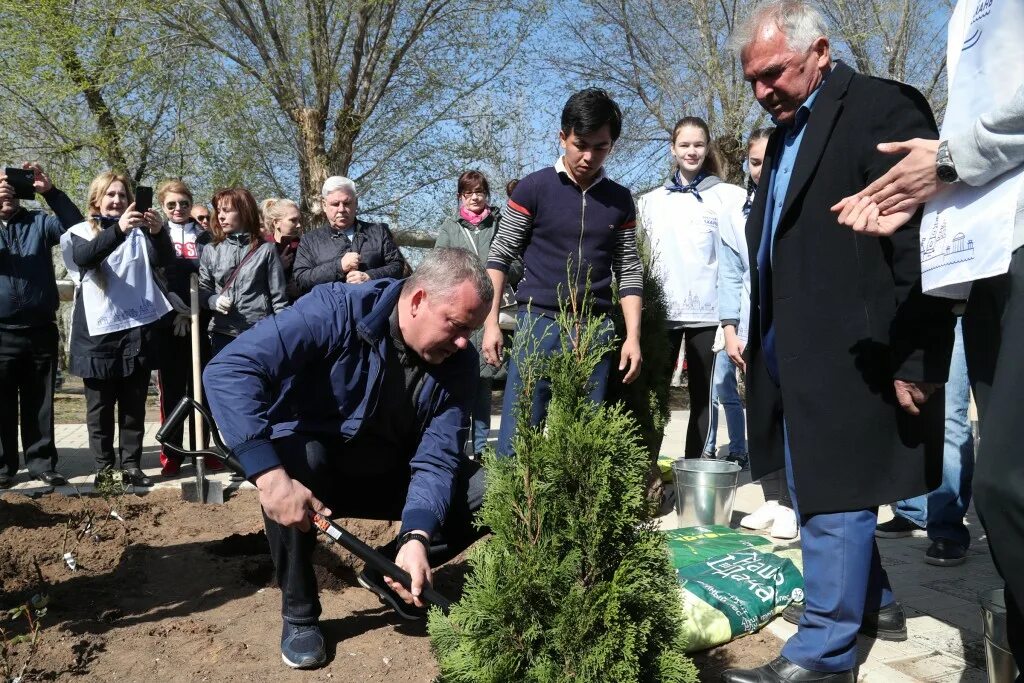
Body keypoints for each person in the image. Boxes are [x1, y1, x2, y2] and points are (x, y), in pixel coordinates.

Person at [721, 3, 955, 681]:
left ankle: (823, 653)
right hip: (789, 346)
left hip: (858, 345)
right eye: (752, 81)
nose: (762, 91)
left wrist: (918, 353)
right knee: (812, 482)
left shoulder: (883, 109)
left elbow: (923, 241)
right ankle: (874, 601)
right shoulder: (785, 132)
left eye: (773, 73)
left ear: (819, 50)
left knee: (836, 492)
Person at [832, 0, 1024, 669]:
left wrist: (945, 160)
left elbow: (972, 147)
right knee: (1002, 495)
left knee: (1005, 482)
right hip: (991, 261)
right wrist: (932, 212)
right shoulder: (966, 10)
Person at [203, 248, 491, 669]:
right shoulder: (335, 310)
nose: (465, 342)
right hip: (314, 474)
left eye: (473, 330)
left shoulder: (459, 362)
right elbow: (229, 370)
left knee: (491, 485)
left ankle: (391, 569)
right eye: (457, 325)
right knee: (295, 455)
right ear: (417, 301)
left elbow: (437, 458)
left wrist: (417, 537)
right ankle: (299, 613)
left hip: (391, 473)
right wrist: (268, 476)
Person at [483, 88, 644, 457]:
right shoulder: (534, 188)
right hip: (537, 322)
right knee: (520, 429)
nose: (588, 156)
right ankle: (514, 510)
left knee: (585, 438)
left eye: (600, 147)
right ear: (562, 137)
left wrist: (632, 335)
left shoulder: (620, 200)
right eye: (580, 144)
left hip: (596, 326)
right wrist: (491, 321)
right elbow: (500, 255)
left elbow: (629, 268)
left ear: (612, 145)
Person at [638, 116, 746, 460]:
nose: (692, 151)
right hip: (662, 315)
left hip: (708, 316)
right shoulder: (650, 201)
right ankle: (646, 472)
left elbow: (736, 260)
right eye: (684, 144)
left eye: (699, 144)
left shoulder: (729, 197)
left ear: (708, 147)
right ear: (672, 149)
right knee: (654, 395)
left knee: (704, 398)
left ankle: (694, 474)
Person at [61, 172, 178, 488]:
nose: (117, 200)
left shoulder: (141, 233)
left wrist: (157, 233)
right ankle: (104, 470)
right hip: (97, 336)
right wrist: (119, 230)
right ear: (96, 200)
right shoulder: (81, 231)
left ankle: (131, 466)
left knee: (133, 407)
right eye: (110, 195)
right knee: (99, 411)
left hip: (135, 332)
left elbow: (166, 262)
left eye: (122, 196)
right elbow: (84, 257)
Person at [720, 128, 798, 541]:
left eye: (769, 160)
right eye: (754, 161)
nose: (760, 169)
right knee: (762, 414)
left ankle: (794, 504)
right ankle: (772, 497)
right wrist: (730, 328)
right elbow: (731, 274)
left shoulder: (793, 200)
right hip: (751, 328)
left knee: (791, 414)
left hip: (792, 324)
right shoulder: (736, 213)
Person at [0, 163, 84, 488]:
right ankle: (5, 468)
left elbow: (76, 227)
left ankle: (41, 464)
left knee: (40, 403)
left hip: (40, 330)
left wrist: (50, 192)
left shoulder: (38, 222)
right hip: (1, 332)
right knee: (1, 403)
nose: (6, 189)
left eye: (10, 184)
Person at [873, 319, 974, 567]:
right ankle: (911, 510)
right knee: (910, 406)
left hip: (958, 305)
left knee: (949, 415)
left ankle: (947, 529)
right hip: (912, 307)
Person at [435, 171, 521, 458]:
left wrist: (497, 273)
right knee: (458, 384)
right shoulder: (450, 227)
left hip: (490, 311)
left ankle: (482, 452)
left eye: (480, 192)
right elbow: (438, 266)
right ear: (461, 196)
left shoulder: (499, 225)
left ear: (487, 195)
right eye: (469, 192)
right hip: (459, 312)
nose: (475, 197)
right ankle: (456, 449)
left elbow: (517, 264)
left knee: (484, 387)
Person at [156, 179, 213, 477]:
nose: (179, 209)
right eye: (171, 205)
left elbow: (212, 275)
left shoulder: (206, 237)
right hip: (170, 322)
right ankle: (173, 452)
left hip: (201, 318)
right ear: (163, 206)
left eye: (184, 203)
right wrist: (173, 308)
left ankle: (202, 449)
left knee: (203, 386)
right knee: (174, 389)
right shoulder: (156, 234)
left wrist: (197, 308)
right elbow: (152, 274)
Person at [198, 188, 288, 357]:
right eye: (218, 211)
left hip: (259, 331)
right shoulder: (211, 249)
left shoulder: (266, 250)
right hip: (222, 332)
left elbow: (279, 298)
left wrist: (284, 332)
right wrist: (210, 299)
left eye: (227, 210)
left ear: (244, 212)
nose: (221, 216)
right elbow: (202, 288)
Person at [292, 176, 405, 295]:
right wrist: (339, 266)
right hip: (331, 310)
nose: (341, 209)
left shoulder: (378, 232)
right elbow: (301, 279)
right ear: (324, 205)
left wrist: (369, 276)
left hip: (375, 307)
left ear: (356, 203)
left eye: (346, 203)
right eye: (335, 204)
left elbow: (397, 266)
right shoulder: (310, 240)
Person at [260, 198, 302, 300]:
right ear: (276, 223)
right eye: (293, 220)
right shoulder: (261, 247)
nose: (299, 225)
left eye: (299, 220)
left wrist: (301, 288)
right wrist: (278, 268)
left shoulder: (305, 245)